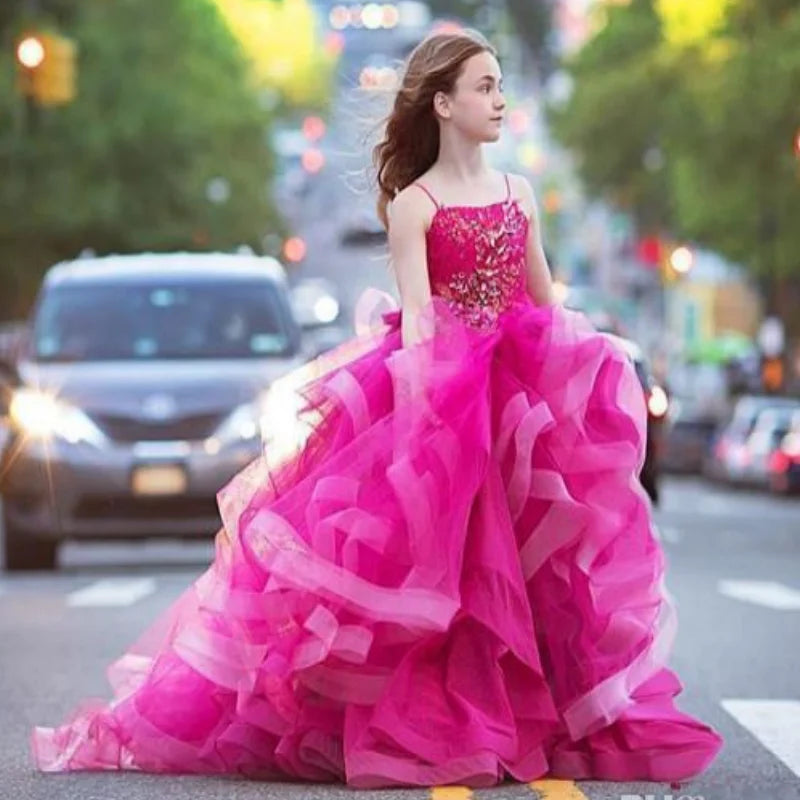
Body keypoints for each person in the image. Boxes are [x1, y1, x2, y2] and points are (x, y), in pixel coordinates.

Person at [30, 29, 723, 789]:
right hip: (445, 392)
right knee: (442, 570)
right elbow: (421, 319)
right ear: (443, 103)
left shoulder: (519, 194)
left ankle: (537, 714)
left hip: (519, 392)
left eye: (499, 85)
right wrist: (431, 411)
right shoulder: (415, 205)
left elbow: (545, 302)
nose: (499, 101)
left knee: (531, 563)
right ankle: (448, 722)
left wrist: (577, 375)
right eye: (485, 87)